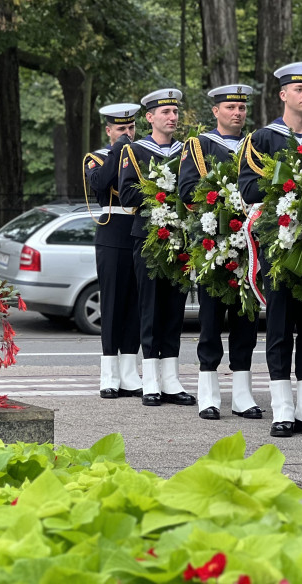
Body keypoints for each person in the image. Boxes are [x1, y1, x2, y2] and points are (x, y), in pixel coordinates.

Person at [238, 63, 302, 438]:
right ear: (283, 94)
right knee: (279, 326)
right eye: (298, 89)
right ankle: (283, 406)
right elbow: (247, 188)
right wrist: (288, 190)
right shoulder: (262, 138)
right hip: (279, 244)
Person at [177, 84, 262, 421]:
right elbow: (186, 190)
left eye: (241, 108)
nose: (237, 113)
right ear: (216, 111)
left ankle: (242, 395)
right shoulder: (198, 146)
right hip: (215, 243)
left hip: (250, 246)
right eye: (230, 107)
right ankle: (208, 394)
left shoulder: (255, 145)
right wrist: (222, 202)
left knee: (247, 321)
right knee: (211, 321)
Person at [118, 88, 195, 407]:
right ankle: (150, 379)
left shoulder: (188, 150)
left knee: (175, 309)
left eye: (175, 112)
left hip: (180, 238)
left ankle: (171, 379)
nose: (172, 117)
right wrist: (161, 193)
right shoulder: (134, 151)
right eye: (165, 113)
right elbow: (126, 195)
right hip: (147, 237)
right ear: (150, 117)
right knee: (149, 306)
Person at [83, 103, 143, 399]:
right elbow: (100, 183)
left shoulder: (143, 155)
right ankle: (109, 374)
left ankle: (130, 373)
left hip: (139, 233)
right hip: (112, 234)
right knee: (112, 304)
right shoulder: (97, 158)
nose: (127, 134)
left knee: (135, 305)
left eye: (130, 128)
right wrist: (119, 150)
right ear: (109, 131)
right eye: (121, 129)